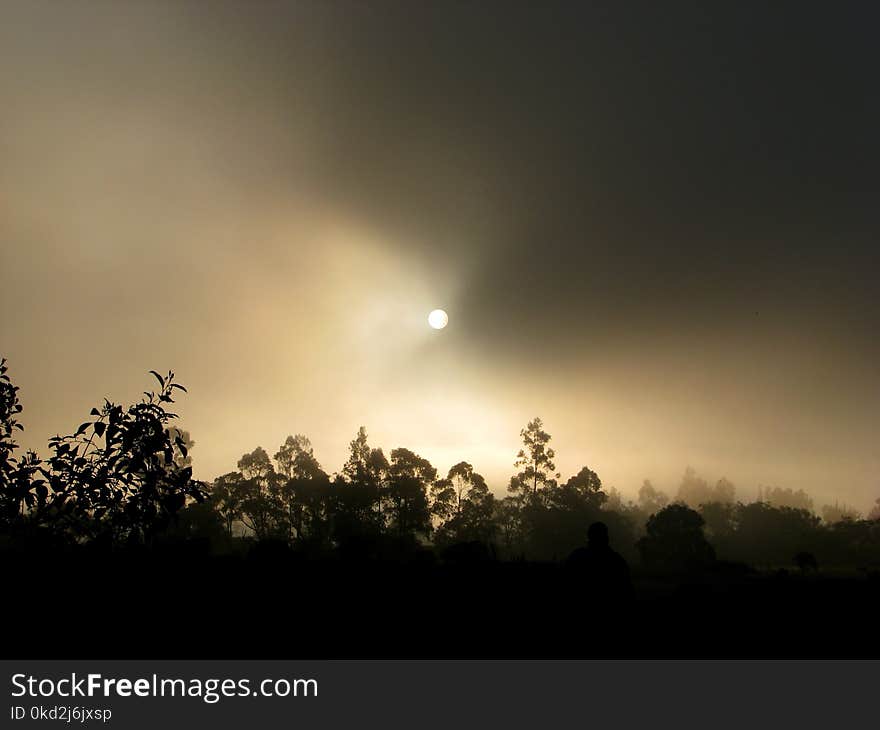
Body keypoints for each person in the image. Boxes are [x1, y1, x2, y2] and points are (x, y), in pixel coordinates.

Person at [565, 521, 634, 603]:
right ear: (606, 538)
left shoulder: (577, 557)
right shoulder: (616, 560)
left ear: (588, 536)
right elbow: (627, 591)